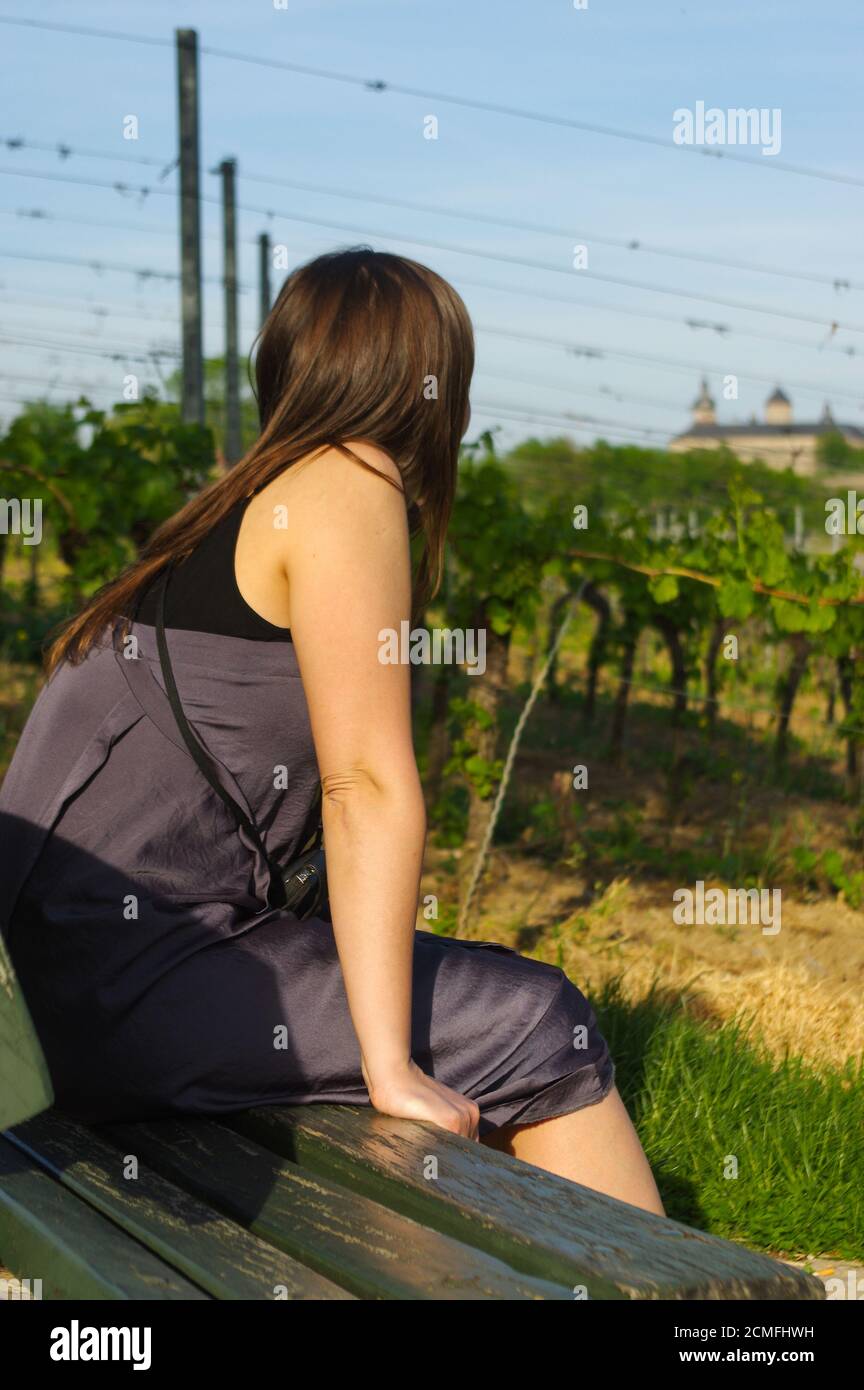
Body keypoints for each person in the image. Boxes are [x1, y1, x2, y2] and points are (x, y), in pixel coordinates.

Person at [0, 247, 663, 1216]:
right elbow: (367, 786)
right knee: (537, 1019)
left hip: (53, 992)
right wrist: (390, 1065)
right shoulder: (349, 482)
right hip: (122, 992)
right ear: (434, 384)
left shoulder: (233, 507)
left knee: (488, 998)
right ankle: (694, 1313)